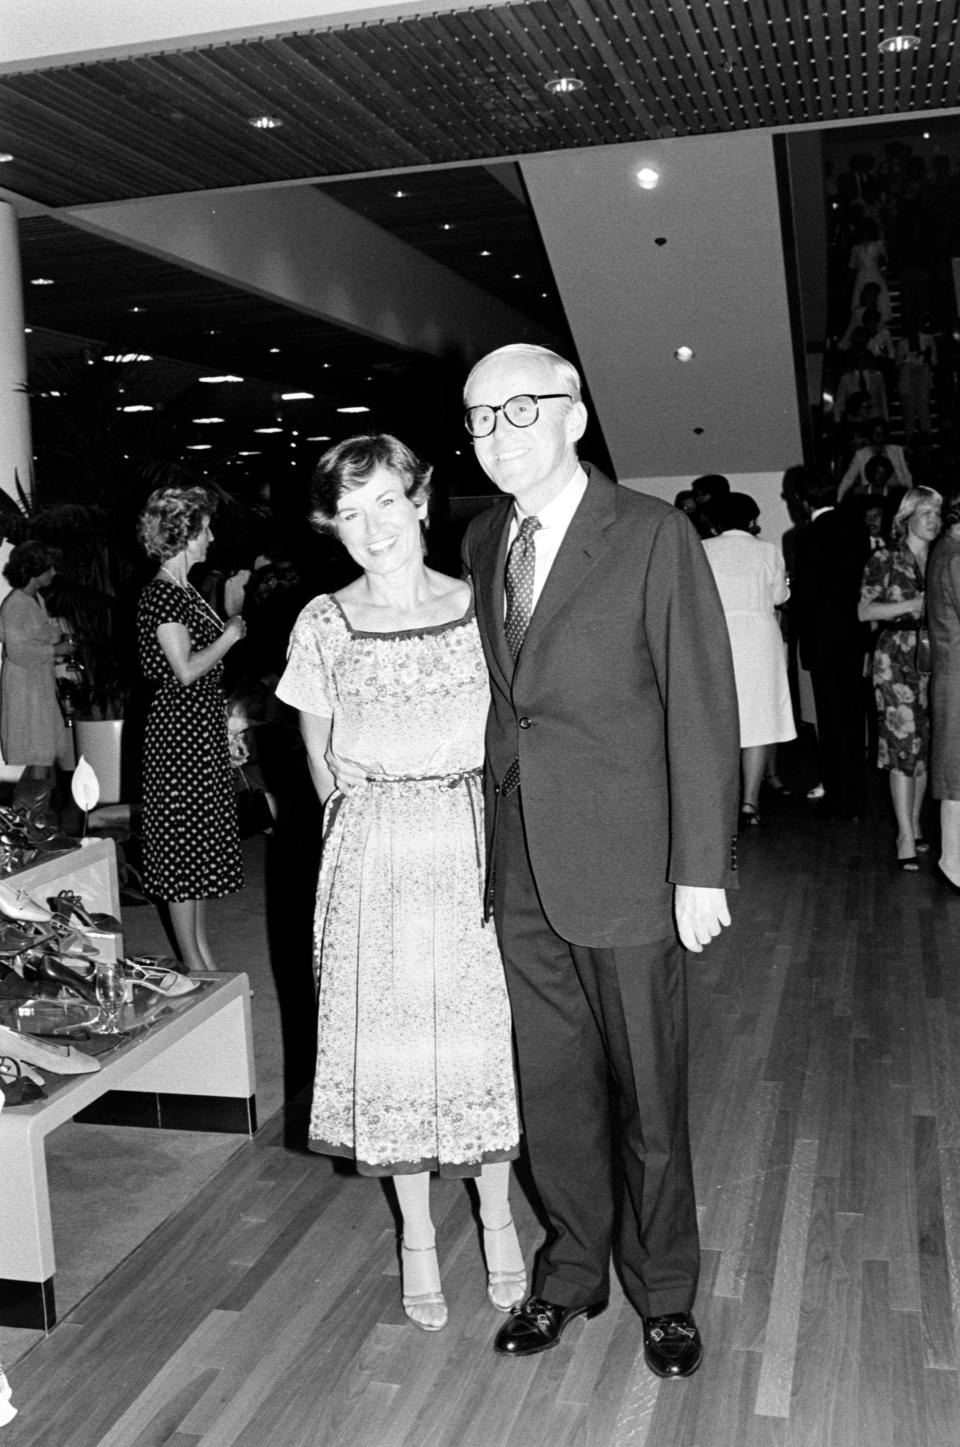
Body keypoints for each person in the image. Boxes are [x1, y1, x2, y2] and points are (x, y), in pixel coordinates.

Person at [460, 344, 740, 1377]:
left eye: (521, 410)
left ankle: (664, 1290)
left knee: (648, 1092)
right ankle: (570, 1271)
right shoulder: (487, 534)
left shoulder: (654, 534)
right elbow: (506, 703)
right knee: (554, 1090)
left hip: (629, 863)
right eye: (481, 418)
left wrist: (700, 866)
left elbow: (704, 704)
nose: (499, 434)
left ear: (575, 415)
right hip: (524, 861)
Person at [275, 434, 522, 1335]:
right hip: (375, 855)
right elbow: (317, 758)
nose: (370, 527)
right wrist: (367, 839)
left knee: (481, 1036)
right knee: (393, 1046)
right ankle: (417, 1235)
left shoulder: (482, 607)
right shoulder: (322, 623)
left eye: (385, 501)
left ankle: (497, 1214)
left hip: (472, 844)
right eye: (348, 511)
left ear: (421, 501)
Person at [136, 486, 246, 971]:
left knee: (198, 846)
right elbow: (184, 669)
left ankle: (201, 957)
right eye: (205, 530)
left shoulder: (184, 592)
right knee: (183, 849)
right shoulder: (161, 594)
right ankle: (194, 964)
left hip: (197, 728)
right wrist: (229, 634)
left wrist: (225, 729)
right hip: (178, 736)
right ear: (185, 536)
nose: (211, 538)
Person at [858, 487, 942, 868]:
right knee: (901, 745)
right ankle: (904, 836)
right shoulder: (885, 557)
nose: (934, 521)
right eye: (926, 513)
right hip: (895, 656)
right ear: (906, 516)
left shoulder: (943, 558)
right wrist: (910, 605)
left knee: (924, 746)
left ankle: (916, 825)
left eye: (938, 514)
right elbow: (863, 611)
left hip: (937, 654)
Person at [702, 493, 796, 826]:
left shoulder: (702, 548)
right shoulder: (769, 550)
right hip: (758, 636)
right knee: (758, 720)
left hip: (717, 636)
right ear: (752, 519)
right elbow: (779, 596)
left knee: (717, 718)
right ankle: (750, 803)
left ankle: (718, 799)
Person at [791, 467, 870, 820]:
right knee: (854, 717)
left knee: (831, 720)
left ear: (802, 500)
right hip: (853, 634)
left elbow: (805, 596)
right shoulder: (857, 528)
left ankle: (840, 797)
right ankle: (858, 795)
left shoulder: (805, 537)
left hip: (822, 640)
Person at [0, 541, 73, 823]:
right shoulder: (16, 603)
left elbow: (37, 639)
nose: (54, 572)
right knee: (40, 753)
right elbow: (18, 651)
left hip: (37, 685)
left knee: (40, 754)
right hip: (25, 688)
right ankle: (29, 824)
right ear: (36, 570)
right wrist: (55, 650)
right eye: (49, 567)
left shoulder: (34, 600)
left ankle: (25, 822)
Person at [926, 494, 960, 891]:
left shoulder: (947, 549)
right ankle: (953, 862)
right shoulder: (954, 557)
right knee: (955, 773)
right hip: (956, 676)